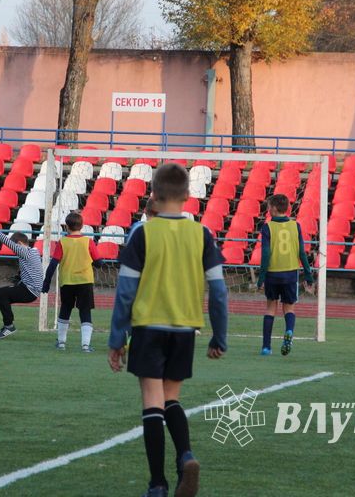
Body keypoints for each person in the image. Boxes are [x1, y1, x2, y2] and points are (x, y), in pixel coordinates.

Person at [108, 163, 228, 497]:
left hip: (148, 327)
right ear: (189, 196)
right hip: (184, 329)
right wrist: (220, 335)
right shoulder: (202, 234)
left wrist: (117, 338)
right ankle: (186, 454)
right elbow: (218, 291)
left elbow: (125, 291)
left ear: (155, 197)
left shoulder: (143, 234)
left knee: (151, 402)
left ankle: (157, 483)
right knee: (171, 397)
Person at [256, 193, 314, 356]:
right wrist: (308, 275)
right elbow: (302, 252)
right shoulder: (296, 226)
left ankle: (266, 347)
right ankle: (289, 330)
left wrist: (261, 278)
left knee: (270, 308)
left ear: (273, 208)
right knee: (289, 307)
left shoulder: (267, 227)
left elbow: (265, 254)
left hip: (272, 274)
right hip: (290, 273)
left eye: (268, 207)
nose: (267, 210)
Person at [42, 212, 101, 352]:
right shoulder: (88, 242)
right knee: (85, 311)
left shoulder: (63, 242)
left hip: (67, 281)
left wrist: (46, 282)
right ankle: (85, 345)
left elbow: (53, 264)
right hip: (85, 281)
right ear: (82, 226)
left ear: (66, 227)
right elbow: (99, 263)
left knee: (65, 309)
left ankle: (61, 343)